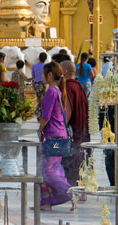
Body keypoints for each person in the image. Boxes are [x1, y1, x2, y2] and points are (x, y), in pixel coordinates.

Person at [38, 62, 72, 209]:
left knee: (49, 171)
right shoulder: (58, 91)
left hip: (55, 138)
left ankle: (72, 193)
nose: (41, 76)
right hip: (57, 136)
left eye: (43, 73)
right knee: (47, 168)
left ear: (50, 75)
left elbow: (46, 115)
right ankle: (46, 202)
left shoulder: (52, 91)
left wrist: (40, 130)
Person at [61, 61, 90, 193]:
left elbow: (68, 109)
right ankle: (81, 190)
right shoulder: (79, 85)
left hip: (72, 130)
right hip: (82, 128)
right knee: (80, 159)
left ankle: (74, 193)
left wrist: (62, 128)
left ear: (65, 71)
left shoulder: (67, 86)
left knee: (70, 161)